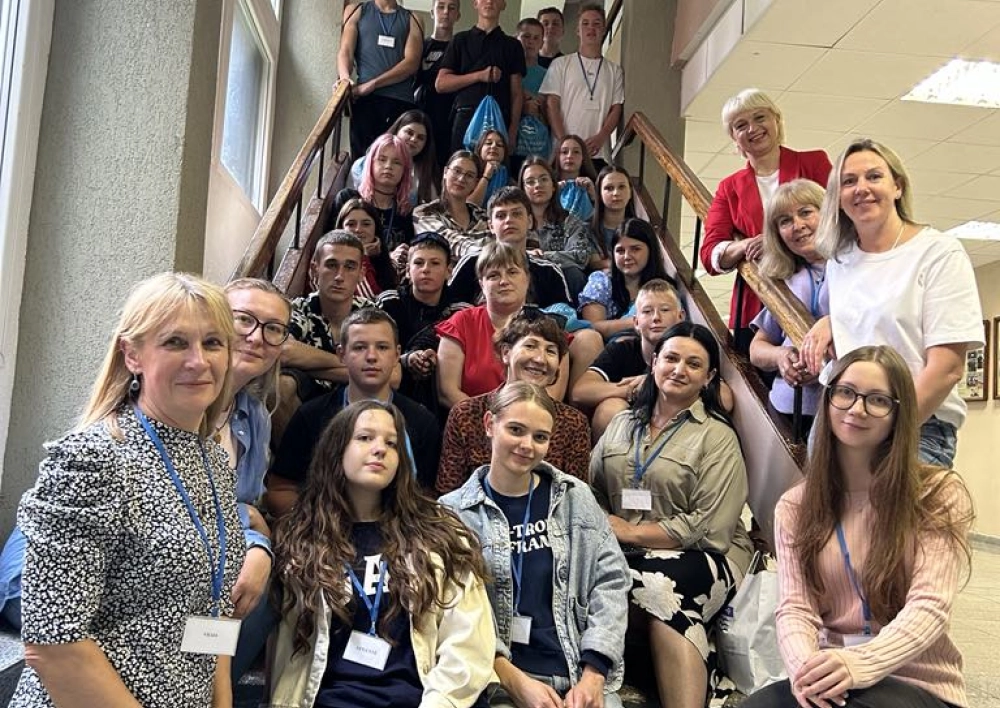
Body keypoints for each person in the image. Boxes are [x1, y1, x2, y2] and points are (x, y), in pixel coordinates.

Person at [11, 272, 244, 707]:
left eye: (213, 343)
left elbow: (215, 607)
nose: (199, 361)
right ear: (132, 355)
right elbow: (53, 644)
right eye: (176, 343)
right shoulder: (92, 459)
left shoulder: (212, 460)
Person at [741, 346, 974, 708]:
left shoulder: (937, 493)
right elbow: (795, 608)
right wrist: (806, 672)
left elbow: (930, 606)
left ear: (899, 413)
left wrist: (859, 664)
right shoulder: (795, 506)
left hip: (916, 679)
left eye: (878, 400)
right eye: (846, 393)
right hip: (831, 674)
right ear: (828, 399)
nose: (857, 408)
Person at [269, 400, 496, 708]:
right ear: (336, 449)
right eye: (365, 438)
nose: (380, 449)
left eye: (391, 443)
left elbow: (468, 647)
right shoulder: (301, 539)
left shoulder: (440, 535)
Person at [590, 322, 753, 708]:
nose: (679, 369)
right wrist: (607, 527)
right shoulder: (621, 424)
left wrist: (630, 532)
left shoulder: (717, 436)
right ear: (654, 363)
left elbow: (711, 527)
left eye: (693, 364)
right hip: (626, 549)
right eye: (672, 359)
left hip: (706, 555)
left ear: (708, 377)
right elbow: (592, 490)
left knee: (660, 588)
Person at [440, 382, 630, 708]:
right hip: (496, 681)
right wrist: (512, 680)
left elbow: (611, 581)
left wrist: (594, 674)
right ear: (489, 424)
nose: (527, 445)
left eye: (540, 437)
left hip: (577, 671)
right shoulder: (452, 513)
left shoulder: (574, 498)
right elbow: (454, 615)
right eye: (516, 430)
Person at [801, 138, 984, 468]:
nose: (861, 188)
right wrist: (830, 322)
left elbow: (947, 368)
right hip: (840, 417)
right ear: (838, 198)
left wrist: (885, 432)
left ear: (897, 186)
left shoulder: (938, 252)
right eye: (848, 181)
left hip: (916, 425)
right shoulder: (839, 261)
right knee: (816, 504)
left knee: (886, 506)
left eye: (874, 176)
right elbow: (864, 323)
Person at [268, 307, 441, 513]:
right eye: (359, 347)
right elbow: (280, 491)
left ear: (397, 355)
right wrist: (323, 520)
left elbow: (427, 496)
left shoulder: (422, 422)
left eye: (382, 347)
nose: (371, 356)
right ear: (341, 354)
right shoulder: (311, 416)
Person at [699, 88, 832, 354]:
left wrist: (775, 241)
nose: (753, 128)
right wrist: (746, 244)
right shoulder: (729, 187)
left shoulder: (814, 162)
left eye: (760, 117)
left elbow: (840, 219)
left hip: (823, 293)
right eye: (741, 125)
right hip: (758, 301)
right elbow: (709, 254)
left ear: (777, 120)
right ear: (734, 138)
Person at [221, 278, 293, 681]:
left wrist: (256, 539)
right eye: (243, 320)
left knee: (280, 583)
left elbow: (246, 502)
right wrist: (253, 530)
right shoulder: (177, 402)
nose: (257, 337)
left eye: (273, 328)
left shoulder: (255, 415)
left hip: (218, 551)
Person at [437, 310, 591, 494]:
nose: (540, 359)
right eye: (531, 346)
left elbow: (576, 495)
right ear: (506, 352)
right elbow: (448, 493)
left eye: (550, 351)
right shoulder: (466, 414)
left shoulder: (574, 423)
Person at [275, 231, 382, 443]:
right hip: (307, 400)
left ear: (361, 273)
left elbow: (393, 375)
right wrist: (355, 368)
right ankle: (296, 461)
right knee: (280, 385)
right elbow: (283, 350)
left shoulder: (372, 315)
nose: (339, 276)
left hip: (358, 399)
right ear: (315, 269)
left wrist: (311, 363)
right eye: (331, 265)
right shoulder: (299, 308)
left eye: (349, 267)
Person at [436, 242, 567, 409]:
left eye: (512, 272)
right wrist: (492, 419)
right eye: (493, 275)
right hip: (472, 419)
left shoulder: (550, 329)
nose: (504, 281)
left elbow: (553, 397)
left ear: (527, 279)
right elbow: (447, 392)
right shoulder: (461, 322)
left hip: (533, 419)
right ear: (482, 284)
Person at [749, 179, 828, 433]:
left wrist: (825, 364)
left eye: (806, 212)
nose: (798, 226)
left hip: (839, 409)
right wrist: (781, 357)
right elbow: (756, 348)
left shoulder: (855, 269)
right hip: (784, 409)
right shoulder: (785, 280)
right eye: (785, 221)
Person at [571, 279, 685, 439]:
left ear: (681, 317)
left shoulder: (690, 351)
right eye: (647, 311)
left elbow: (717, 394)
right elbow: (580, 391)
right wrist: (632, 390)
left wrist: (652, 383)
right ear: (636, 322)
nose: (656, 317)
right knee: (610, 408)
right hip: (623, 433)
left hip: (673, 429)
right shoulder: (623, 349)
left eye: (665, 310)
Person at [376, 232, 467, 410]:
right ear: (407, 270)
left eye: (435, 263)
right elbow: (375, 348)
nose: (426, 269)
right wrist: (406, 359)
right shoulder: (388, 302)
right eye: (418, 263)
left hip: (443, 394)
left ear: (449, 271)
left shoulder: (461, 311)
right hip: (392, 390)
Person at [448, 187, 572, 309]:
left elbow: (565, 316)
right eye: (501, 215)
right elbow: (449, 308)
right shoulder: (472, 263)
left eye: (516, 214)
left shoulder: (549, 272)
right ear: (491, 226)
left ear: (530, 221)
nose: (509, 220)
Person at [540, 4, 625, 172]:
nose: (591, 28)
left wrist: (602, 136)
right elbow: (551, 104)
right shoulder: (561, 64)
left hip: (598, 153)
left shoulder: (614, 70)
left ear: (603, 29)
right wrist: (565, 141)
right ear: (577, 31)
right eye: (585, 24)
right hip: (565, 154)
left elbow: (616, 108)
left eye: (596, 24)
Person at [435, 0, 525, 154]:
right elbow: (441, 84)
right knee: (462, 165)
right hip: (465, 118)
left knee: (495, 167)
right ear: (475, 3)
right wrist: (479, 76)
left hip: (499, 121)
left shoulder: (513, 45)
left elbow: (516, 94)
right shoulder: (460, 40)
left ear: (503, 4)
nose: (489, 1)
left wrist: (512, 131)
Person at [338, 0, 423, 161]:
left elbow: (412, 63)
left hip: (400, 101)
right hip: (365, 101)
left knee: (395, 158)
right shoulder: (356, 10)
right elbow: (346, 51)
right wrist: (345, 80)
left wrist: (374, 83)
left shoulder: (413, 18)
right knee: (363, 159)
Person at [579, 218, 672, 339]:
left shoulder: (665, 288)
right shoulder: (601, 281)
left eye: (635, 249)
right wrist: (640, 322)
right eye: (620, 251)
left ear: (651, 250)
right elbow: (592, 327)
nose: (627, 256)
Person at [519, 156, 595, 299]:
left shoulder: (570, 221)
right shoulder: (515, 222)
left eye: (543, 179)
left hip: (561, 287)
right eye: (530, 182)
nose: (537, 185)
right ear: (523, 189)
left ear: (554, 186)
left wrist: (542, 256)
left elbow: (581, 256)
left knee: (573, 272)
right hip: (524, 284)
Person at [413, 150, 492, 260]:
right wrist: (487, 255)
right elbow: (448, 242)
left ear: (476, 183)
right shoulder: (424, 212)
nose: (461, 179)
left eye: (469, 175)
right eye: (457, 171)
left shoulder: (484, 217)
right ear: (445, 172)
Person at [349, 109, 439, 205]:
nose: (413, 139)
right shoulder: (362, 165)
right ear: (397, 130)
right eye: (409, 132)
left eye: (420, 138)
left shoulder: (425, 176)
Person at [415, 0, 460, 171]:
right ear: (432, 12)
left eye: (452, 8)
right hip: (422, 112)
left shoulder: (460, 48)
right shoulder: (420, 46)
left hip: (449, 117)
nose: (446, 12)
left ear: (458, 15)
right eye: (441, 7)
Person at [356, 133, 416, 260]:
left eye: (397, 162)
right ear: (371, 163)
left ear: (405, 170)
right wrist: (388, 258)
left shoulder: (406, 211)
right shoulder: (350, 200)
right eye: (382, 160)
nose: (388, 166)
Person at [336, 198, 398, 300]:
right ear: (341, 229)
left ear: (375, 228)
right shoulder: (332, 262)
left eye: (366, 224)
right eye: (351, 224)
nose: (358, 229)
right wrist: (362, 255)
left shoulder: (388, 263)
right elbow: (370, 299)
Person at [590, 165, 637, 270]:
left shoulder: (642, 229)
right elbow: (594, 264)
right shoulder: (587, 229)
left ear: (630, 192)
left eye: (621, 187)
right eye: (609, 188)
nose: (616, 193)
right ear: (599, 194)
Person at [553, 134, 598, 221]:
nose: (569, 156)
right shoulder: (548, 185)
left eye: (576, 152)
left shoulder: (594, 185)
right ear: (558, 157)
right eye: (564, 152)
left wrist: (593, 196)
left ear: (583, 157)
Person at [470, 129, 514, 208]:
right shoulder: (469, 172)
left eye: (499, 145)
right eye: (488, 143)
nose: (494, 146)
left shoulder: (506, 177)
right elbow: (470, 206)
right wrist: (486, 176)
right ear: (480, 148)